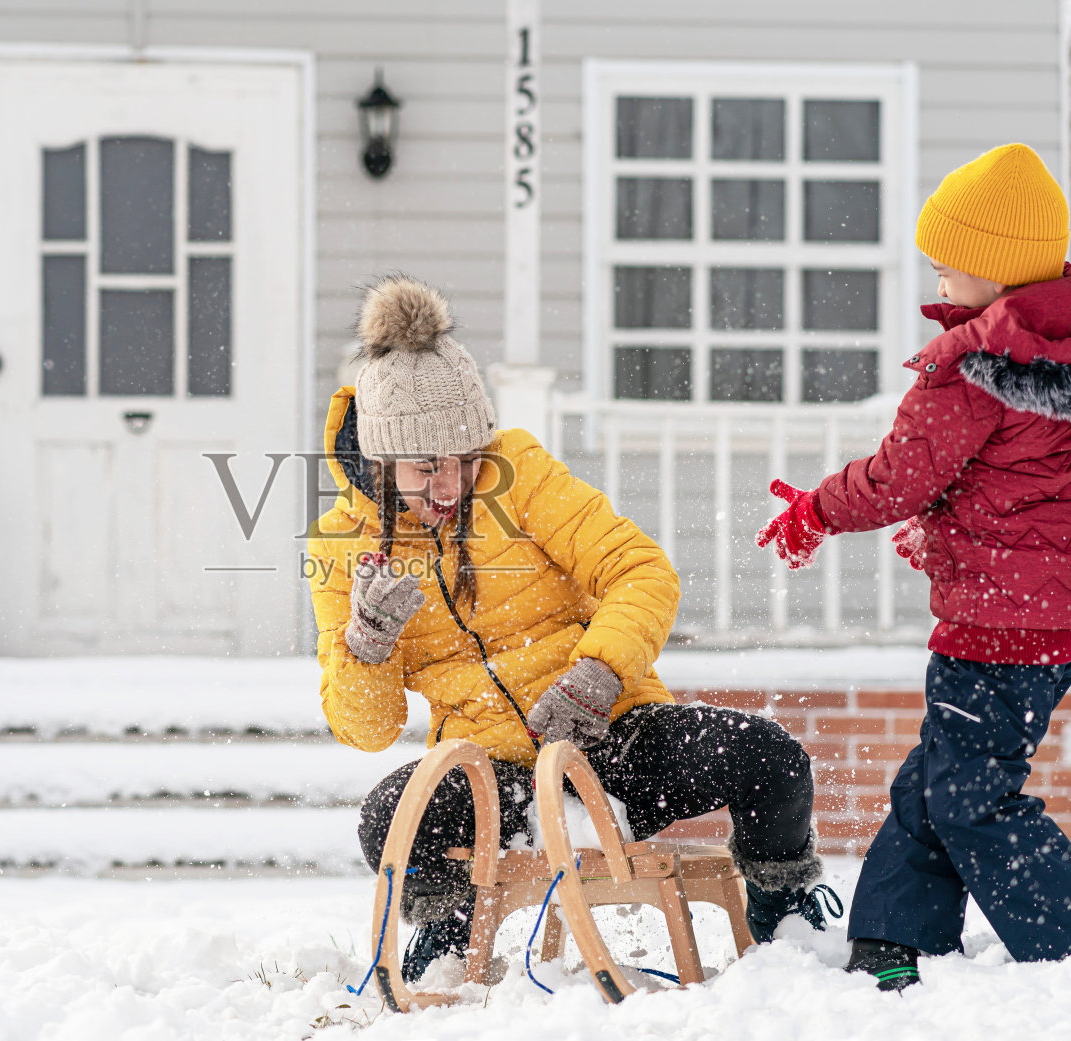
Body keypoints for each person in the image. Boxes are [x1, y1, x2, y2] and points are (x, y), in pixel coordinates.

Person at [308, 274, 839, 985]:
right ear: (380, 459)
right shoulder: (343, 546)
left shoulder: (519, 471)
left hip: (611, 733)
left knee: (770, 757)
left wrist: (598, 673)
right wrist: (366, 644)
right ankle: (447, 930)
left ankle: (786, 908)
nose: (449, 485)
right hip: (495, 776)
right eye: (426, 466)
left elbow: (643, 570)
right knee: (387, 818)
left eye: (464, 462)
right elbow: (364, 728)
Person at [755, 143, 1071, 991]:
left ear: (998, 274)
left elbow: (900, 474)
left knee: (973, 794)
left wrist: (818, 507)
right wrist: (949, 523)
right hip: (1060, 616)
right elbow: (1016, 483)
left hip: (998, 626)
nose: (936, 278)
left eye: (950, 264)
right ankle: (895, 938)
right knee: (941, 773)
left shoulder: (969, 368)